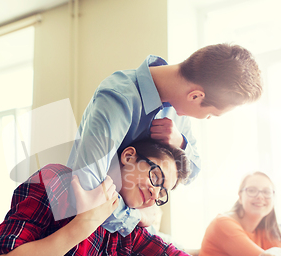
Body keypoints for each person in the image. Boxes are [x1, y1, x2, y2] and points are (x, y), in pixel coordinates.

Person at [0, 139, 209, 256]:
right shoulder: (56, 181)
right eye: (156, 178)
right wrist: (86, 222)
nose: (154, 192)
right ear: (129, 156)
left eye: (162, 193)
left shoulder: (127, 229)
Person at [67, 43, 263, 237]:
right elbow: (86, 189)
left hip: (126, 234)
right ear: (196, 96)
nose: (207, 118)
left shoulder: (178, 111)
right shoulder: (118, 98)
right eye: (211, 114)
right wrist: (137, 216)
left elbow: (192, 173)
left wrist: (180, 143)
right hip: (83, 230)